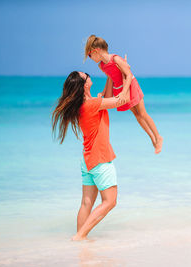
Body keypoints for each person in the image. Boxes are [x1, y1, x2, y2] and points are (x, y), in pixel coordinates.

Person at [52, 71, 127, 241]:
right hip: (100, 159)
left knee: (87, 203)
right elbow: (121, 100)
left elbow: (106, 98)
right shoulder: (93, 104)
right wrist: (128, 79)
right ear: (84, 84)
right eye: (86, 75)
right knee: (110, 201)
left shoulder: (85, 105)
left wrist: (111, 74)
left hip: (87, 160)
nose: (88, 75)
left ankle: (81, 243)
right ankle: (80, 236)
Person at [85, 34, 163, 154]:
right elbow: (110, 77)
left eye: (90, 55)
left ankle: (158, 137)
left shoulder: (115, 59)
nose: (90, 58)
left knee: (142, 113)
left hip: (130, 85)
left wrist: (124, 92)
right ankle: (152, 139)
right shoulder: (101, 65)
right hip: (120, 88)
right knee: (137, 115)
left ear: (96, 51)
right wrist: (104, 92)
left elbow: (128, 74)